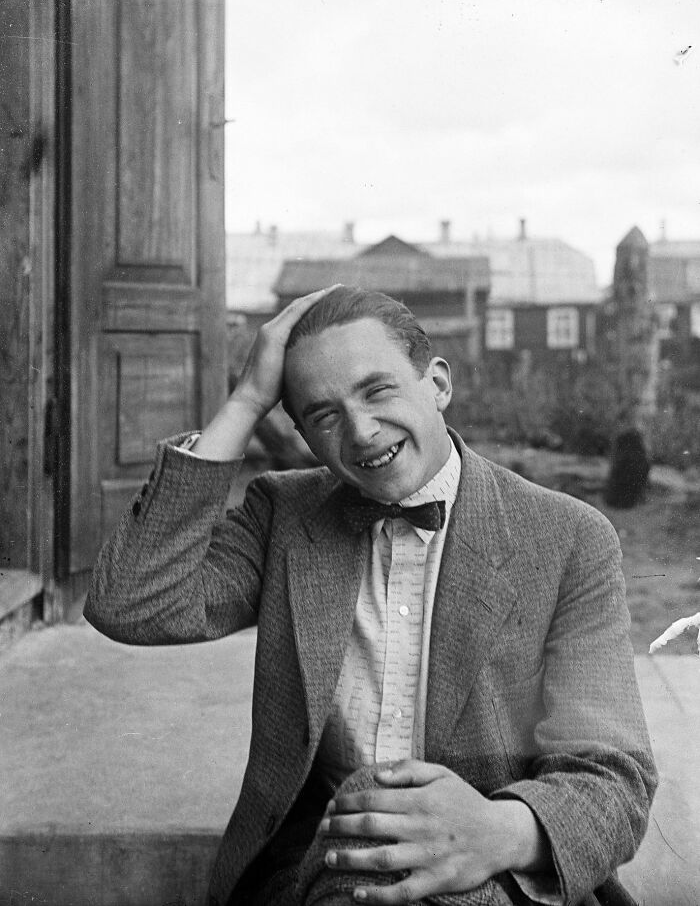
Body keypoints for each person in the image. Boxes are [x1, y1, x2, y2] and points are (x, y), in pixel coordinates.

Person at [85, 286, 657, 906]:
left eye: (379, 390)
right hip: (326, 864)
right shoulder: (283, 515)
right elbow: (130, 601)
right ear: (303, 435)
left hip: (499, 872)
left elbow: (612, 780)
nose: (361, 433)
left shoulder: (568, 537)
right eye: (324, 416)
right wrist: (248, 399)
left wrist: (495, 832)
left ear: (437, 385)